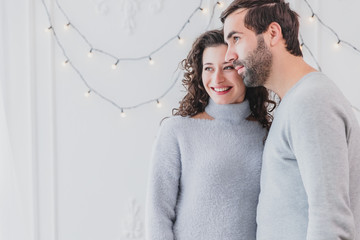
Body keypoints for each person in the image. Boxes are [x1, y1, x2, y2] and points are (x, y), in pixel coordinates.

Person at [221, 1, 360, 240]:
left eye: (236, 39)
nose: (228, 56)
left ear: (273, 33)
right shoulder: (295, 102)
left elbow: (331, 224)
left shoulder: (311, 100)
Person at [145, 29, 275, 240]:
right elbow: (158, 215)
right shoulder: (177, 131)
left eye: (228, 67)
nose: (217, 78)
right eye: (208, 68)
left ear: (244, 69)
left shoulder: (267, 134)